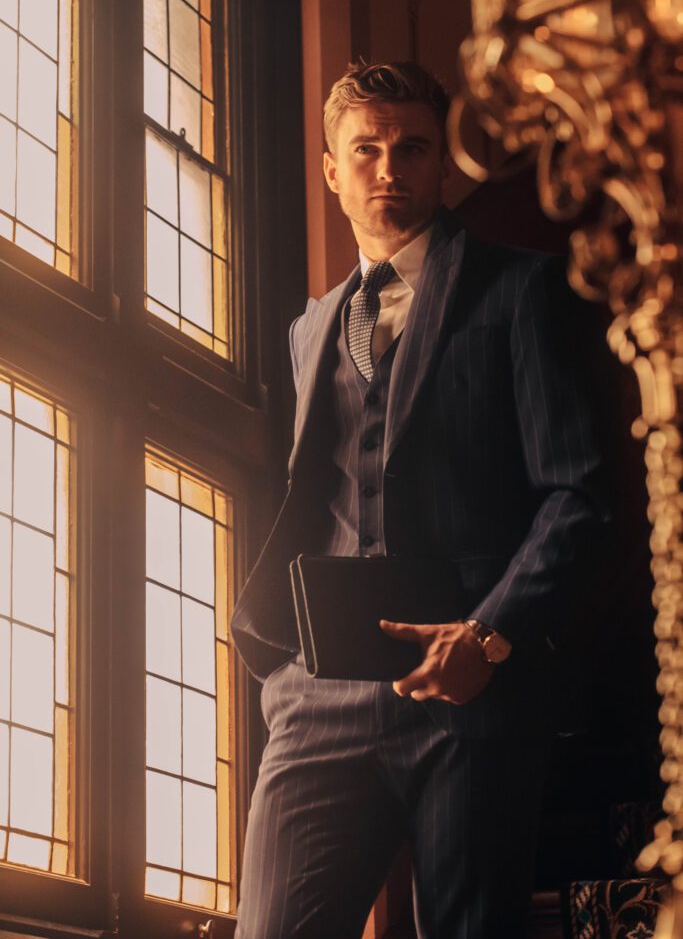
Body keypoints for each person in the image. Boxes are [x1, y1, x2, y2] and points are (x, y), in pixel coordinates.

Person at [231, 61, 611, 938]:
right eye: (365, 150)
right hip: (317, 690)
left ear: (444, 165)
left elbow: (577, 494)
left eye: (412, 148)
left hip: (470, 691)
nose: (388, 169)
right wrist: (277, 655)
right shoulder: (309, 327)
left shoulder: (523, 290)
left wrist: (488, 635)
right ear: (332, 170)